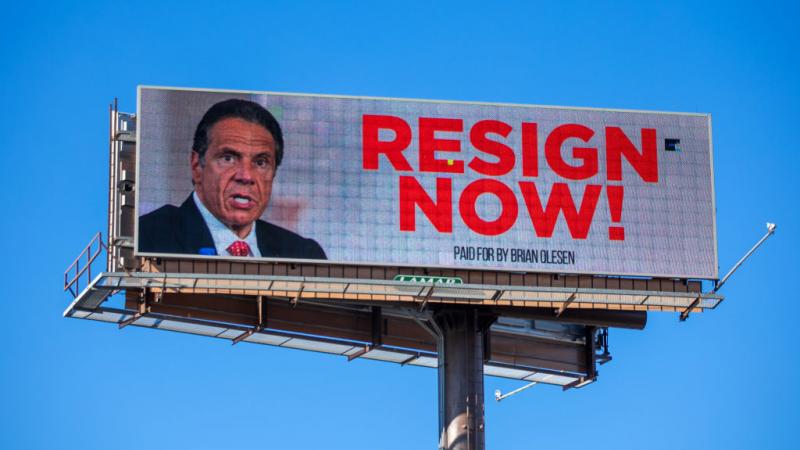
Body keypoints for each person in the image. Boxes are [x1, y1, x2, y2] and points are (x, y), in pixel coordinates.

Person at [138, 98, 326, 260]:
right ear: (197, 166)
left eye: (261, 163)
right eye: (228, 158)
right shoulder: (147, 238)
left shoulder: (304, 254)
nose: (246, 176)